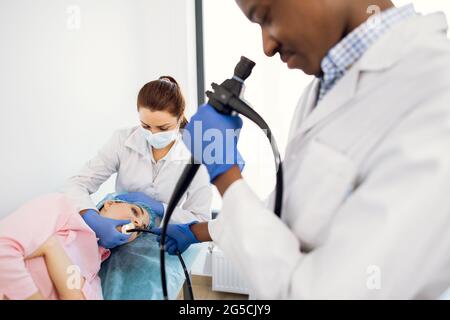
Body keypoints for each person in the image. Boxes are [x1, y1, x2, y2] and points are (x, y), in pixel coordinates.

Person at [154, 1, 450, 299]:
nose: (267, 46)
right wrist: (196, 232)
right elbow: (288, 219)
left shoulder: (436, 93)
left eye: (266, 17)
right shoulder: (324, 88)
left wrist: (225, 174)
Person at [65, 76, 212, 249]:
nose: (153, 134)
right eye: (146, 126)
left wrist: (161, 209)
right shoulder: (122, 140)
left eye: (163, 128)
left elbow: (202, 220)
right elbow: (77, 183)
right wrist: (91, 217)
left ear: (180, 118)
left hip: (166, 242)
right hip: (121, 237)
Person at [0, 192, 153, 300]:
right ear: (109, 203)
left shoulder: (94, 271)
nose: (138, 224)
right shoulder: (61, 206)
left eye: (142, 229)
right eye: (135, 211)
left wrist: (52, 248)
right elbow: (3, 248)